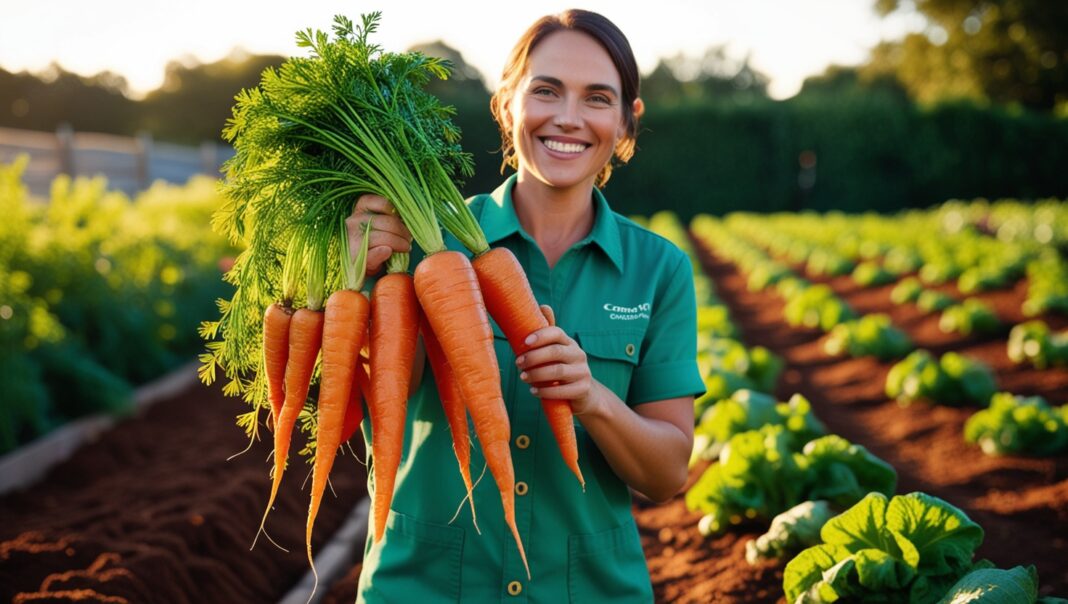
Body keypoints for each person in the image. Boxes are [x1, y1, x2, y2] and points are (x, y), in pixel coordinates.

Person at [346, 9, 704, 602]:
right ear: (506, 101)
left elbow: (666, 475)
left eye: (597, 97)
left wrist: (593, 399)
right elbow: (380, 399)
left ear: (625, 121)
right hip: (422, 587)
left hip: (587, 590)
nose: (567, 117)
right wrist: (364, 285)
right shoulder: (419, 244)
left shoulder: (658, 269)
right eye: (545, 90)